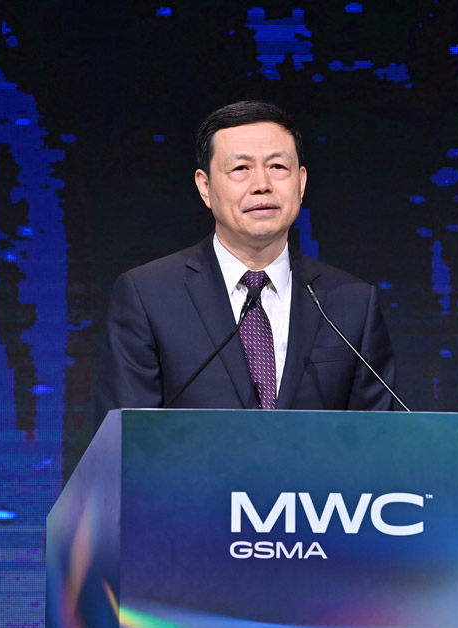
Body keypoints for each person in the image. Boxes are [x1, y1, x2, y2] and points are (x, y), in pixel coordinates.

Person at [95, 100, 396, 420]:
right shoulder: (148, 295)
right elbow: (126, 437)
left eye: (278, 167)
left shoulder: (351, 303)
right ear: (205, 186)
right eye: (240, 169)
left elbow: (378, 438)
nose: (262, 185)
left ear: (301, 182)